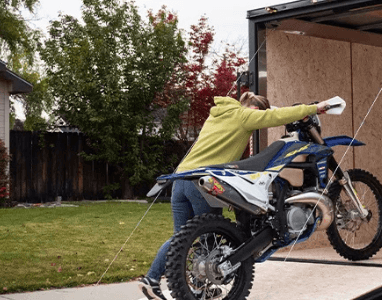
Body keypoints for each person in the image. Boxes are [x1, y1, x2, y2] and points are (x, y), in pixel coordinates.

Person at [139, 92, 332, 300]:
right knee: (209, 234)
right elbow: (275, 117)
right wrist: (314, 108)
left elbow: (269, 114)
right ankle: (198, 284)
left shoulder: (218, 114)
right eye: (260, 115)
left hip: (180, 180)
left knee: (182, 239)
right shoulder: (244, 116)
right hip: (202, 181)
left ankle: (153, 280)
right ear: (256, 110)